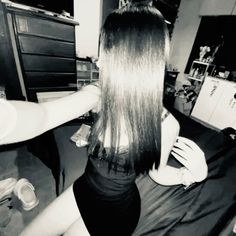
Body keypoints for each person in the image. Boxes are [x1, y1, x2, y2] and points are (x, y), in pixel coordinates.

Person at [0, 2, 208, 235]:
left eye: (106, 52)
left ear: (132, 60)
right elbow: (44, 115)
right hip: (84, 189)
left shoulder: (165, 124)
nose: (97, 60)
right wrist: (7, 118)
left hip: (114, 213)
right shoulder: (100, 93)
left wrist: (191, 175)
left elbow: (158, 173)